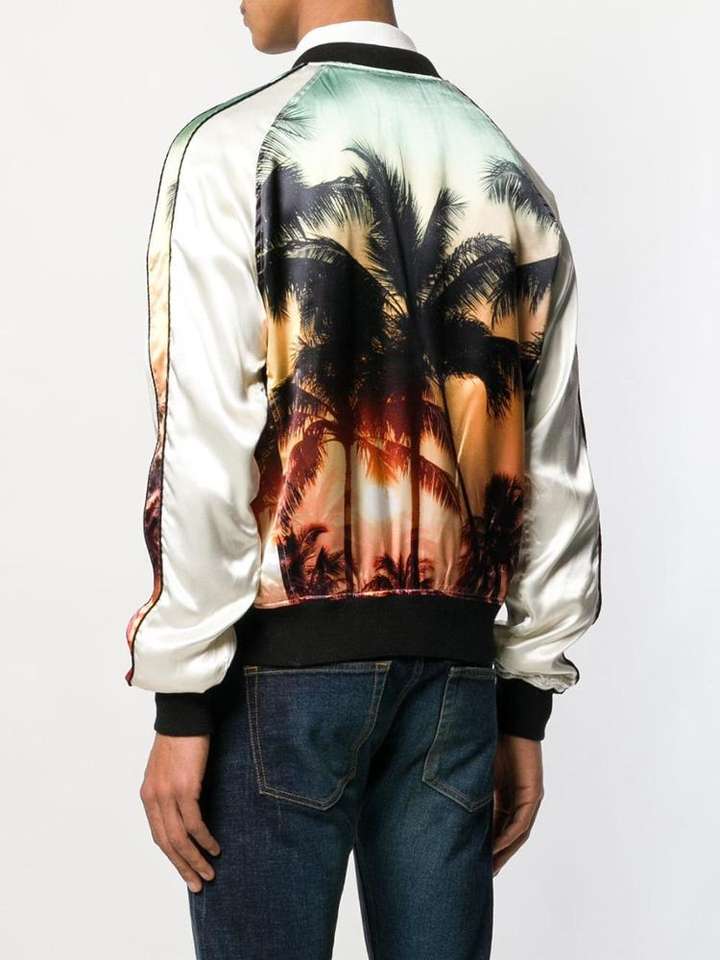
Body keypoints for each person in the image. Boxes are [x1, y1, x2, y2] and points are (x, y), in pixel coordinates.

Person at [126, 2, 602, 957]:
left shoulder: (233, 149)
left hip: (280, 678)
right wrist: (524, 704)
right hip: (457, 679)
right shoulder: (510, 172)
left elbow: (206, 445)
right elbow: (552, 464)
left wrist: (180, 697)